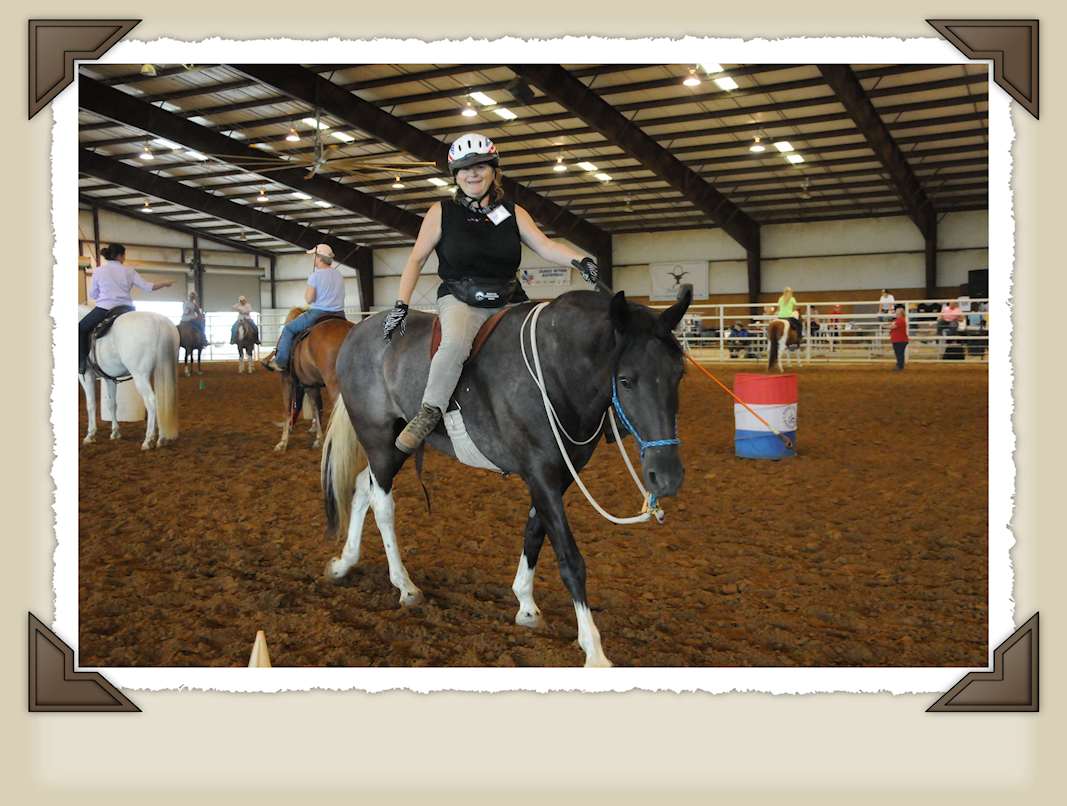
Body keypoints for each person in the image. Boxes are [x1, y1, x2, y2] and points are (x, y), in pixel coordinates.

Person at [382, 131, 600, 454]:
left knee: (550, 341)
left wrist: (579, 260)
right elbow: (415, 259)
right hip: (460, 298)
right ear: (456, 176)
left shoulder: (513, 212)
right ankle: (429, 412)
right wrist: (401, 303)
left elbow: (545, 245)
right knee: (454, 344)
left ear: (493, 171)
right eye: (465, 169)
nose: (473, 173)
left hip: (509, 299)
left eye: (481, 166)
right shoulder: (441, 212)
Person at [78, 243, 173, 374]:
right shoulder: (129, 271)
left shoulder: (99, 271)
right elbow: (147, 287)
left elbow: (93, 294)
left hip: (105, 308)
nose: (124, 258)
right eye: (124, 256)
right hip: (126, 309)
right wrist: (164, 284)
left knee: (80, 328)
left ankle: (82, 362)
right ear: (120, 256)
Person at [263, 244, 346, 372]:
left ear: (319, 258)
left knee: (289, 329)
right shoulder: (339, 275)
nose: (313, 259)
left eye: (314, 256)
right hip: (340, 315)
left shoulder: (315, 276)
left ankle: (280, 362)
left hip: (318, 314)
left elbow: (309, 299)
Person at [890, 304, 909, 371]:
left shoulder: (900, 320)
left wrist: (889, 325)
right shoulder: (899, 320)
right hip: (898, 340)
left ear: (900, 313)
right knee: (899, 354)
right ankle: (899, 365)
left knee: (899, 354)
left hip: (900, 340)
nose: (896, 313)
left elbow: (892, 326)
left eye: (897, 312)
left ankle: (899, 366)